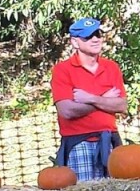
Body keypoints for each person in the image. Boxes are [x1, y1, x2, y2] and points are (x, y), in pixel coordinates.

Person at [50, 17, 127, 181]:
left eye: (98, 34)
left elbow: (121, 105)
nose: (95, 39)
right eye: (88, 36)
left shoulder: (111, 67)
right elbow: (67, 110)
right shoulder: (62, 70)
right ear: (75, 42)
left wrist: (91, 98)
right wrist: (104, 100)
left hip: (110, 140)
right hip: (79, 143)